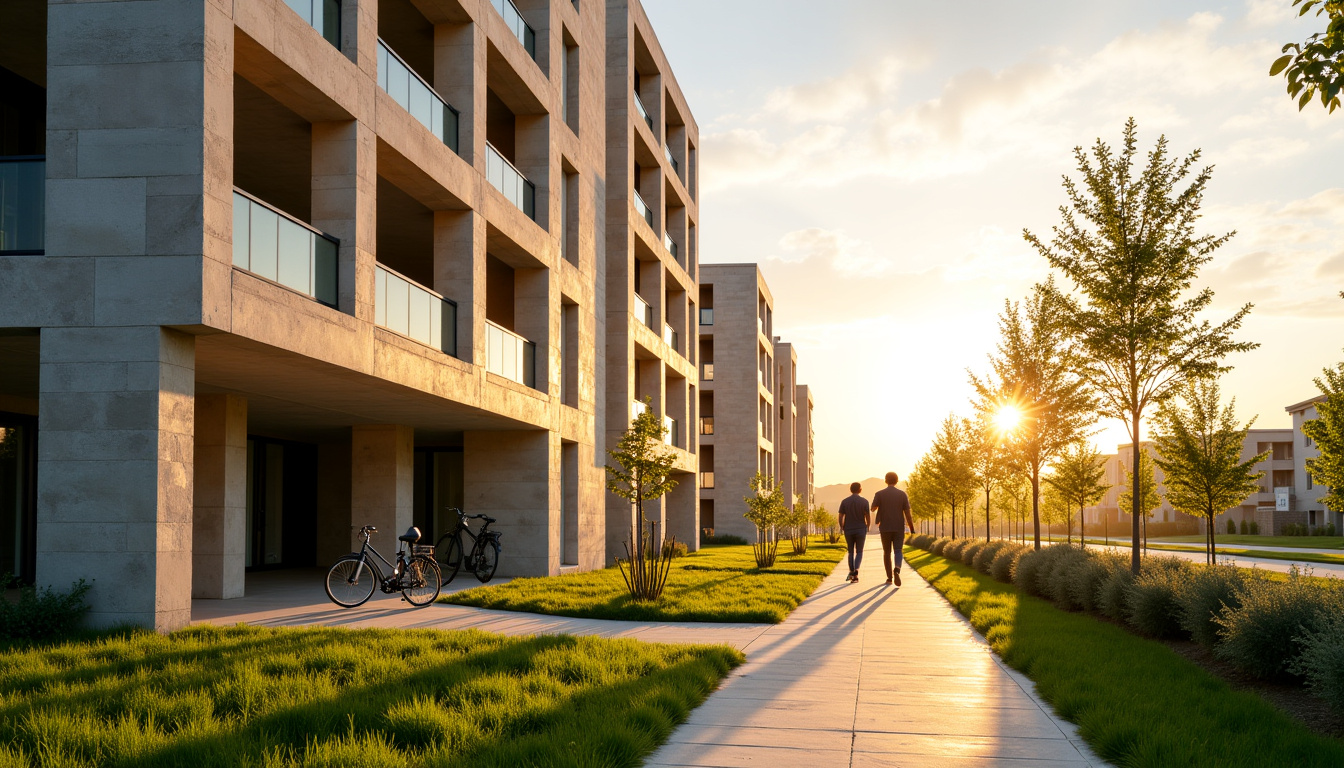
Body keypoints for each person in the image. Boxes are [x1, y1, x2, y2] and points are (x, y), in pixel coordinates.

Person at [871, 471, 915, 586]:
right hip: (899, 527)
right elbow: (907, 513)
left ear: (886, 480)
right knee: (898, 550)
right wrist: (911, 528)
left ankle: (889, 578)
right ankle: (897, 569)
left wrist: (880, 505)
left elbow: (872, 509)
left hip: (885, 527)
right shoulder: (902, 494)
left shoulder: (879, 494)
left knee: (887, 552)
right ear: (896, 480)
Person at [837, 481, 871, 583]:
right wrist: (867, 526)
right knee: (859, 551)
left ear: (851, 489)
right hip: (861, 529)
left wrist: (842, 525)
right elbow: (867, 515)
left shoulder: (845, 501)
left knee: (850, 551)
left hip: (849, 529)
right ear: (860, 489)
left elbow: (840, 516)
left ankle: (852, 572)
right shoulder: (864, 502)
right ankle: (856, 571)